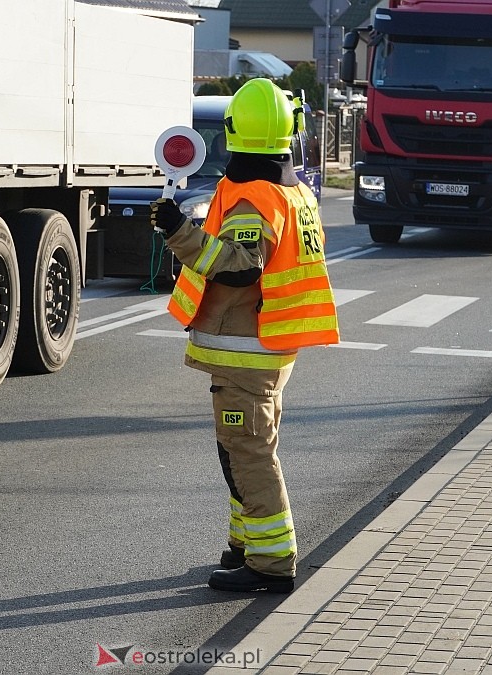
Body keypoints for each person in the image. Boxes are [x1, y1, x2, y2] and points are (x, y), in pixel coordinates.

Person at [149, 79, 340, 594]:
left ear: (232, 132)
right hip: (267, 344)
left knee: (247, 450)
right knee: (241, 446)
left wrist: (179, 233)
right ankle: (245, 545)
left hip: (247, 348)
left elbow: (238, 268)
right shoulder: (291, 191)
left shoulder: (254, 197)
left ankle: (271, 562)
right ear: (289, 132)